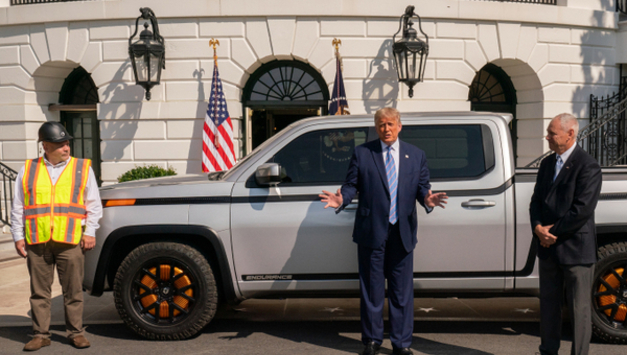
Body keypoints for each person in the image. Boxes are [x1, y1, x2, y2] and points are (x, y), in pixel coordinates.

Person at [319, 108, 447, 355]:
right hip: (372, 232)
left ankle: (401, 344)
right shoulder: (363, 153)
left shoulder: (416, 155)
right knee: (372, 290)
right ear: (375, 128)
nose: (385, 129)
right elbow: (351, 185)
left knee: (401, 292)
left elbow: (422, 188)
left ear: (399, 126)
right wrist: (341, 199)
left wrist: (427, 200)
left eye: (390, 124)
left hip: (403, 234)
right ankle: (372, 340)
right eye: (380, 125)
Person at [11, 121, 102, 351]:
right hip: (37, 240)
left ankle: (76, 333)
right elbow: (18, 206)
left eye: (67, 143)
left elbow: (94, 204)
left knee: (73, 291)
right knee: (39, 293)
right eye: (60, 144)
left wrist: (90, 231)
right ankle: (40, 335)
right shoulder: (28, 169)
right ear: (45, 146)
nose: (66, 147)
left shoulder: (82, 168)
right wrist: (17, 236)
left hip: (70, 240)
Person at [529, 113, 602, 355]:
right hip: (548, 248)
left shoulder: (587, 165)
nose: (547, 137)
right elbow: (536, 201)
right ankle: (548, 351)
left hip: (575, 249)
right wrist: (538, 228)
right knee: (549, 307)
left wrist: (552, 233)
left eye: (552, 133)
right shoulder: (547, 164)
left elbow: (581, 210)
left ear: (570, 134)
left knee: (579, 309)